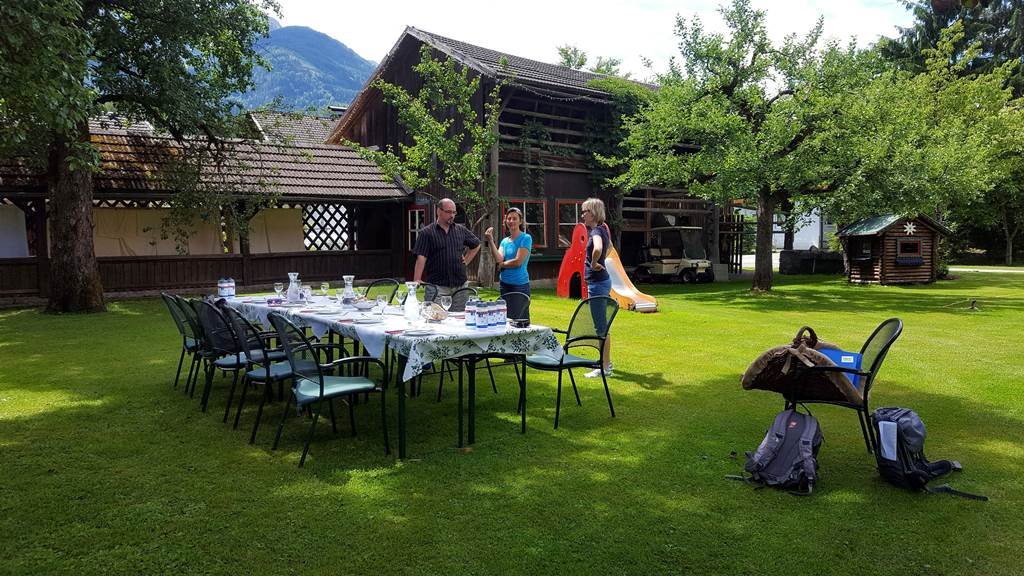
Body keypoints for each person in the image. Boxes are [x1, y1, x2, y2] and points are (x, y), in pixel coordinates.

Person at [413, 198, 481, 310]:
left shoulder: (461, 230)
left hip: (460, 285)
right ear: (438, 211)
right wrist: (417, 278)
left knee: (459, 321)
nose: (452, 215)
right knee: (435, 320)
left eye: (454, 212)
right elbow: (421, 256)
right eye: (448, 212)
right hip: (437, 287)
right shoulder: (427, 232)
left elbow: (476, 244)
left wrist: (467, 260)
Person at [581, 197, 613, 378]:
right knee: (602, 326)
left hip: (598, 283)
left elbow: (599, 248)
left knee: (601, 327)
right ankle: (606, 363)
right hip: (601, 282)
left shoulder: (595, 232)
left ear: (592, 214)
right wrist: (598, 261)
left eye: (585, 211)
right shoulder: (602, 229)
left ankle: (604, 367)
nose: (582, 215)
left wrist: (594, 262)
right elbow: (609, 248)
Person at [484, 206, 532, 321]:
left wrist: (502, 265)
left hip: (519, 285)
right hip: (504, 285)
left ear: (520, 221)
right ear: (505, 221)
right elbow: (498, 259)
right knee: (505, 318)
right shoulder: (504, 241)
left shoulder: (525, 238)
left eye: (514, 218)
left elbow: (518, 262)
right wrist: (490, 240)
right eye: (509, 219)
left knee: (519, 320)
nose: (511, 221)